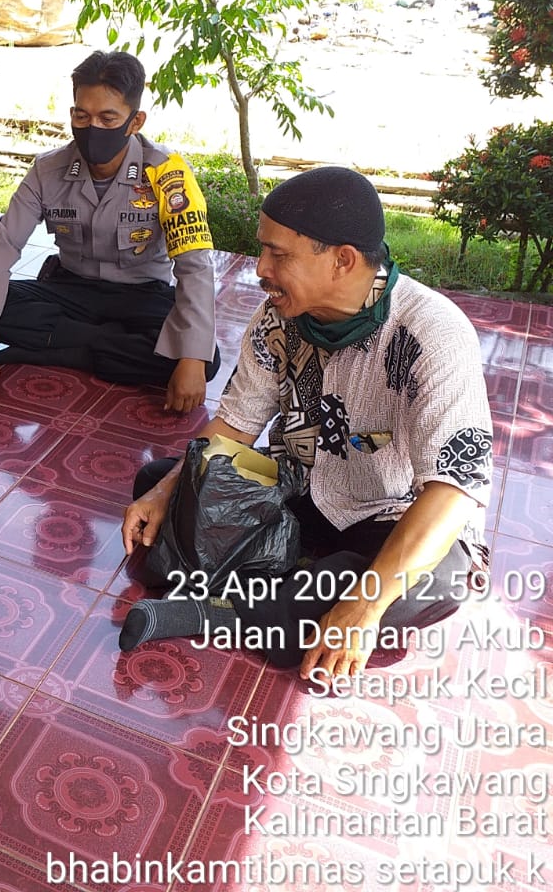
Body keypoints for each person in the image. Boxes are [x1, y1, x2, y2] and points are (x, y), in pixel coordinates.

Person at [119, 167, 493, 682]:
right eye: (263, 251)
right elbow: (235, 424)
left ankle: (218, 609)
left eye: (279, 254)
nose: (260, 269)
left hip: (390, 515)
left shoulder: (433, 334)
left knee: (442, 579)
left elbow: (453, 490)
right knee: (162, 479)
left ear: (342, 259)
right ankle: (293, 585)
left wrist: (363, 608)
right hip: (303, 492)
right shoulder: (279, 317)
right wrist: (167, 489)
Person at [0, 51, 219, 412]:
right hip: (70, 290)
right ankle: (106, 352)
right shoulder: (49, 169)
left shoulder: (167, 172)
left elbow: (194, 266)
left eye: (108, 118)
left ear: (135, 121)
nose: (92, 127)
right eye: (82, 115)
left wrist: (190, 358)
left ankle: (60, 350)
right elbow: (5, 240)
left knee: (205, 357)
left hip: (142, 295)